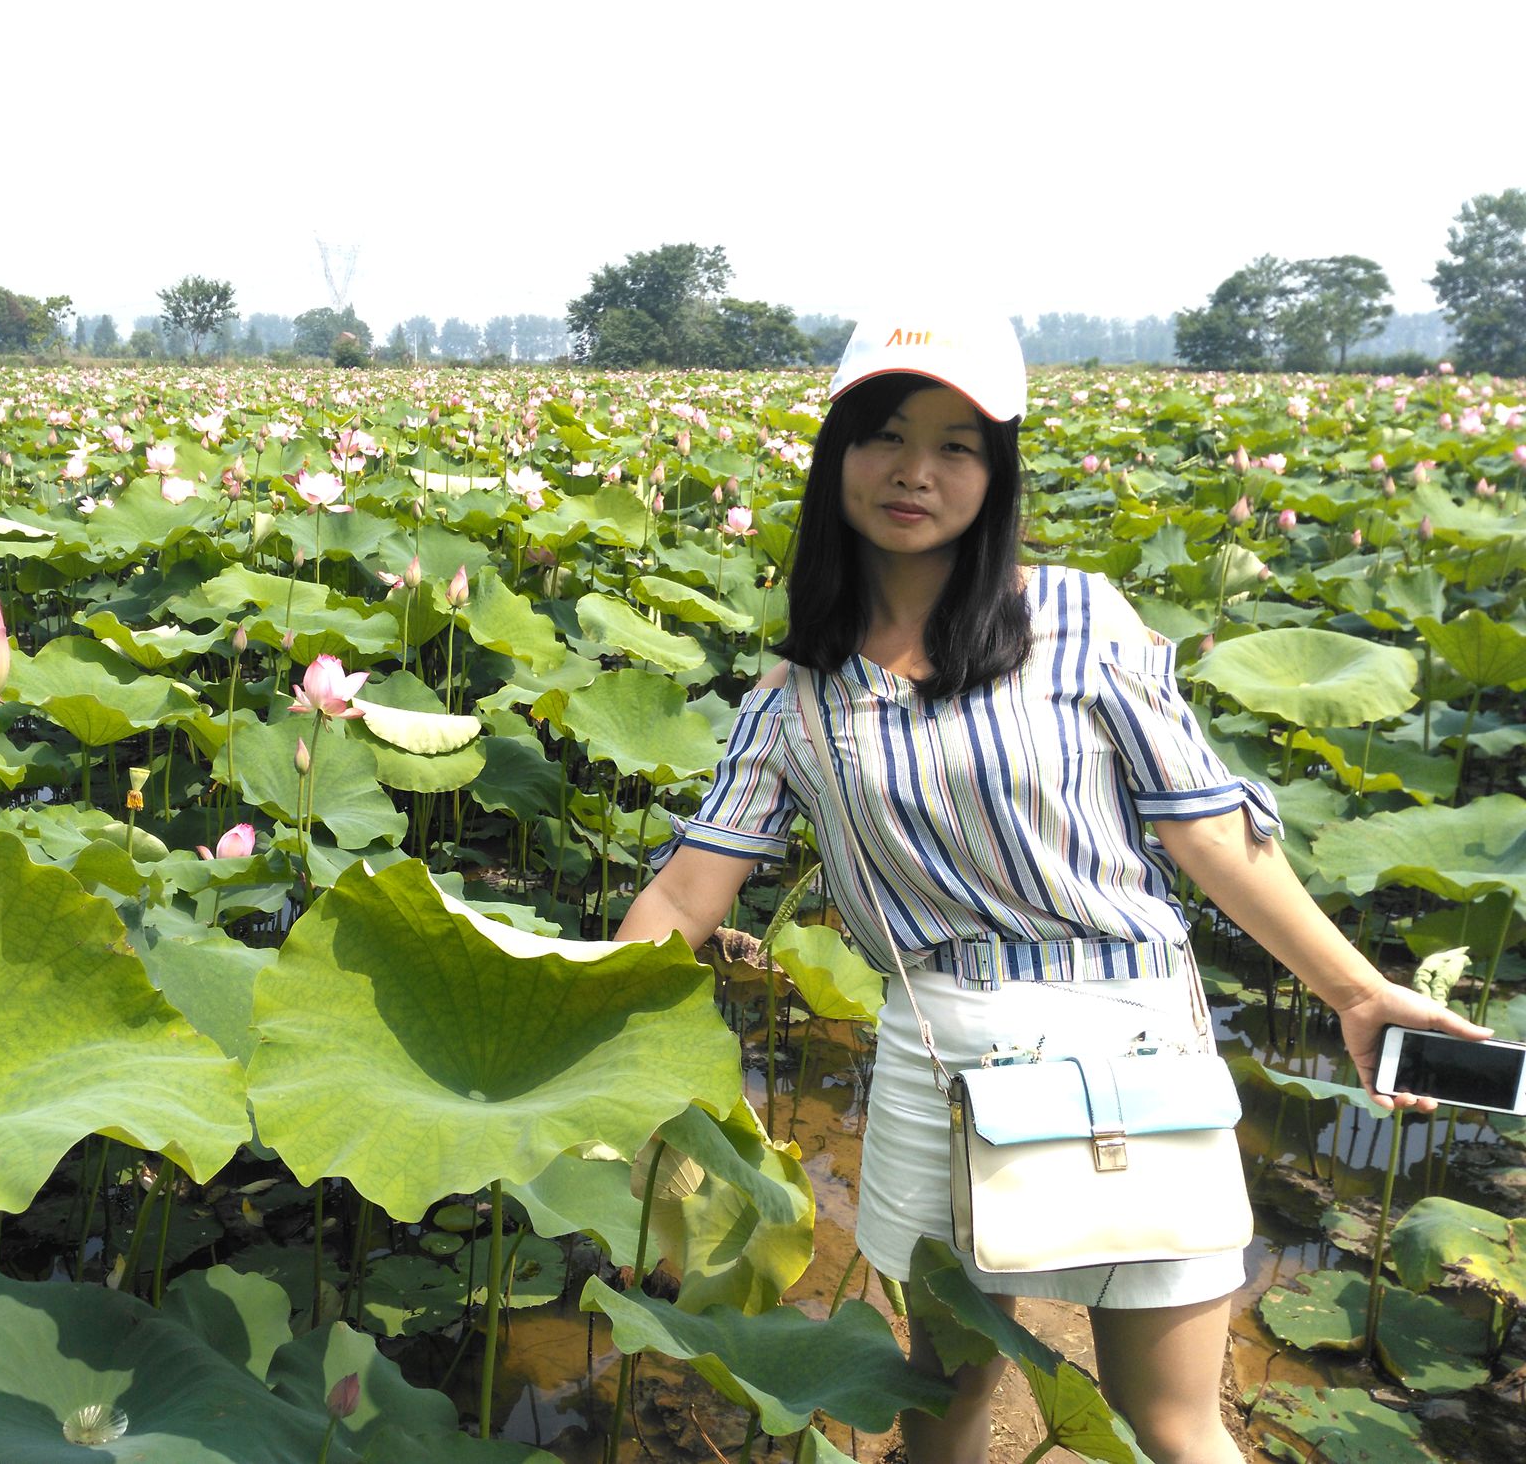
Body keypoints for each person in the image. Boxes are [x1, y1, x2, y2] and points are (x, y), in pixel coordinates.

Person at [614, 309, 1488, 1464]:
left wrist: (1353, 988)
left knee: (1169, 1416)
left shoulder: (1078, 619)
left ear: (996, 469)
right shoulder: (795, 693)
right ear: (835, 454)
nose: (913, 471)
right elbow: (684, 897)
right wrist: (587, 1042)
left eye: (956, 444)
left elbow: (1212, 833)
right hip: (938, 1051)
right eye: (881, 434)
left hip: (1127, 1037)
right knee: (942, 1398)